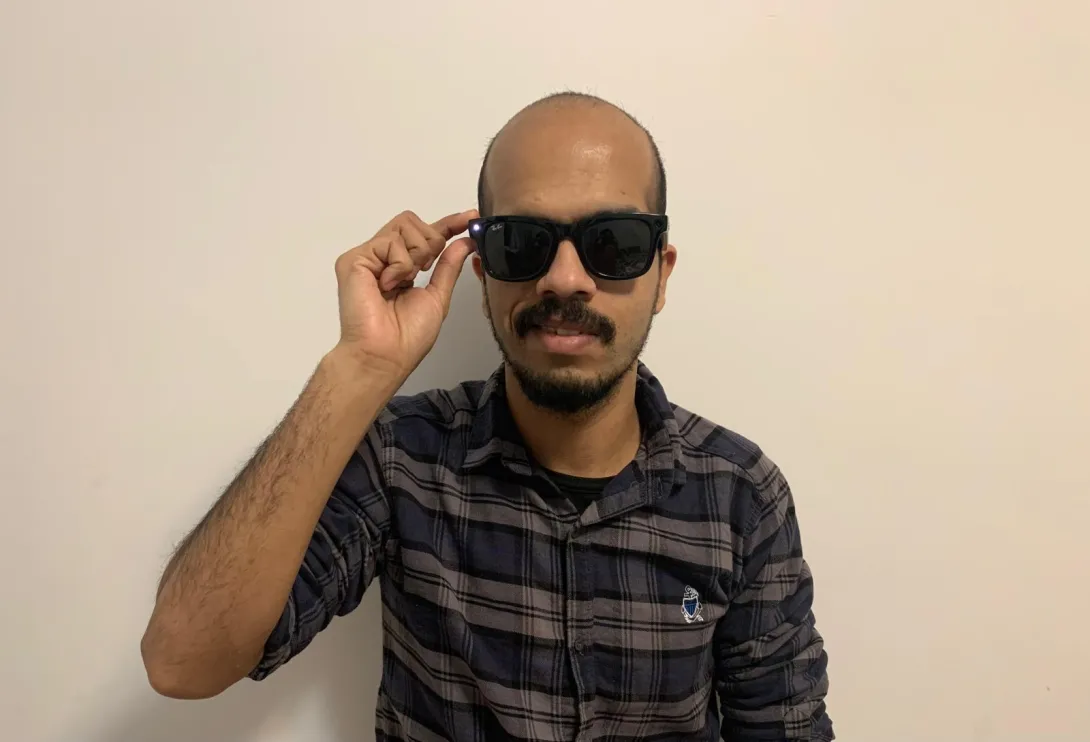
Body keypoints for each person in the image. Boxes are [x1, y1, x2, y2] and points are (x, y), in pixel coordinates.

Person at [141, 92, 835, 741]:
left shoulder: (739, 493)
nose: (565, 279)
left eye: (615, 241)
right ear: (482, 275)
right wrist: (357, 369)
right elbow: (183, 663)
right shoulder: (401, 459)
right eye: (523, 241)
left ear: (661, 274)